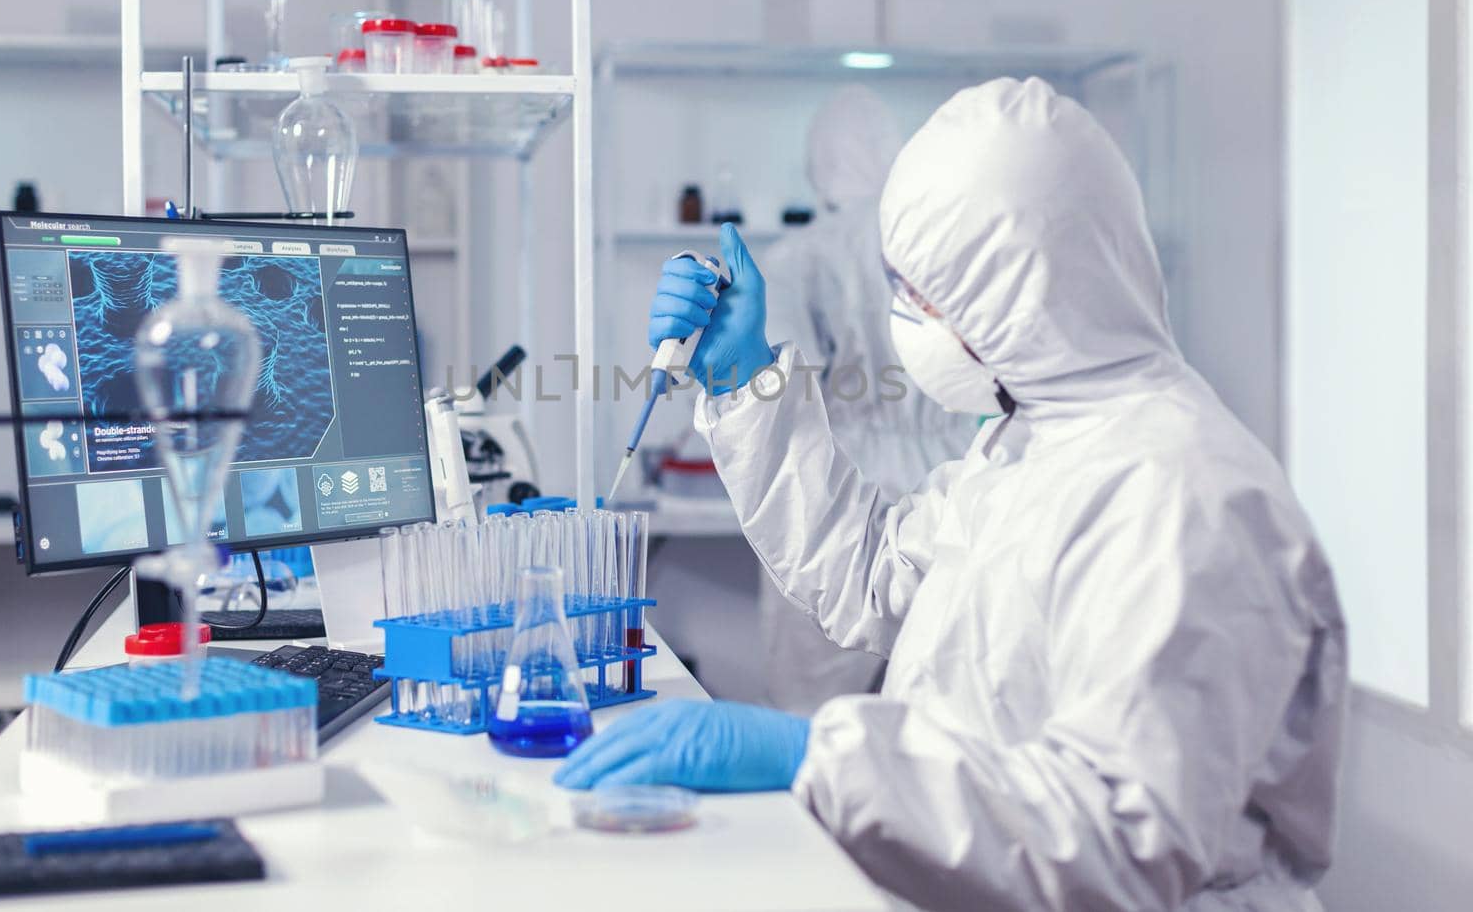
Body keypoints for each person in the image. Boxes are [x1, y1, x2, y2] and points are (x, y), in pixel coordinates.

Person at [557, 78, 1347, 912]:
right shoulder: (1034, 440)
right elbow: (872, 570)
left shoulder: (1184, 498)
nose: (903, 316)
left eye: (920, 296)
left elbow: (1115, 840)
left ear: (1022, 297)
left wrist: (816, 754)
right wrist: (743, 379)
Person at [756, 84, 980, 714]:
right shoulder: (933, 240)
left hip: (846, 478)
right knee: (942, 706)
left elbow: (784, 387)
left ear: (816, 164)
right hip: (951, 472)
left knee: (814, 708)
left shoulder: (799, 256)